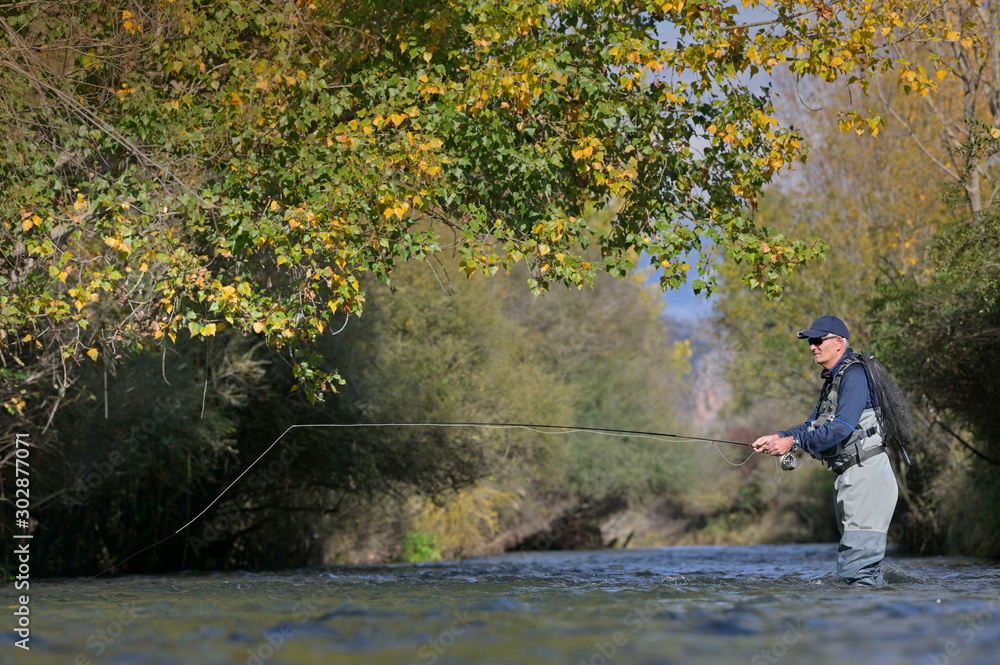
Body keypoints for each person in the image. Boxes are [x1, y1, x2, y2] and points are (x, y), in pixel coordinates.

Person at [752, 315, 898, 586]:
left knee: (857, 570)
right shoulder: (834, 380)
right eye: (810, 341)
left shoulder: (854, 375)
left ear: (839, 342)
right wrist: (780, 437)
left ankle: (858, 624)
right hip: (851, 477)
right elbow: (810, 427)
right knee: (859, 570)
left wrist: (793, 444)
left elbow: (841, 428)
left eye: (818, 340)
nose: (812, 346)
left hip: (867, 476)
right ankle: (871, 621)